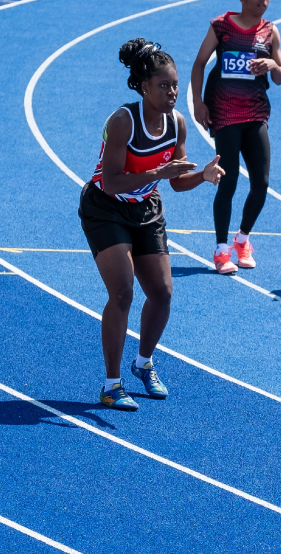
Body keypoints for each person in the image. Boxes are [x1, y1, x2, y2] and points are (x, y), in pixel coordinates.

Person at [82, 38, 225, 411]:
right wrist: (158, 171)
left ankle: (143, 363)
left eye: (175, 84)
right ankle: (112, 384)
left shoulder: (177, 123)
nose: (173, 92)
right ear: (143, 87)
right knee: (123, 293)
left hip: (146, 208)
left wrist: (204, 175)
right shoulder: (123, 121)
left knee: (162, 293)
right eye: (164, 85)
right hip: (105, 207)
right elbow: (112, 181)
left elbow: (176, 181)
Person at [190, 0, 281, 275]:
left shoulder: (271, 32)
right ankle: (220, 250)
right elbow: (198, 63)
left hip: (256, 113)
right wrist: (198, 102)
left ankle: (242, 239)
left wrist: (272, 65)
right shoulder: (221, 26)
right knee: (228, 182)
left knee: (262, 183)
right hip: (225, 114)